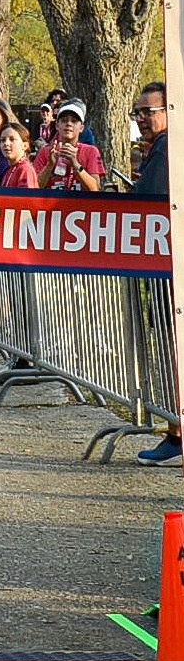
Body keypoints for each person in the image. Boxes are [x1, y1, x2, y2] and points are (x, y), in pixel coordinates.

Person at [129, 81, 180, 466]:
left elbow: (148, 196)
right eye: (139, 111)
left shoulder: (168, 146)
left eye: (150, 111)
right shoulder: (160, 147)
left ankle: (177, 433)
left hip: (171, 267)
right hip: (166, 264)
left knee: (172, 350)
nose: (143, 118)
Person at [32, 99, 105, 191]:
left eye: (74, 121)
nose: (69, 124)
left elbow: (95, 189)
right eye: (64, 120)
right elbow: (33, 188)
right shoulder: (45, 152)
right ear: (57, 126)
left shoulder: (91, 151)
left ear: (81, 128)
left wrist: (75, 164)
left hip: (80, 204)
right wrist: (49, 165)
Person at [0, 122, 38, 188]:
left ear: (25, 146)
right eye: (3, 140)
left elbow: (25, 197)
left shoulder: (25, 169)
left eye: (12, 139)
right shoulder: (9, 169)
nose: (6, 143)